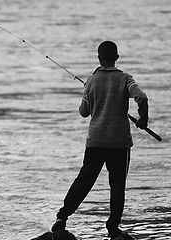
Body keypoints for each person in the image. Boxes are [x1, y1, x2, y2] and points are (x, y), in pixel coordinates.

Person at [51, 41, 148, 240]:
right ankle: (113, 228)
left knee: (84, 181)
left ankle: (62, 218)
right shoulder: (125, 79)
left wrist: (90, 92)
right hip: (119, 143)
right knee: (117, 184)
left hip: (95, 142)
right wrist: (143, 119)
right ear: (117, 58)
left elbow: (83, 112)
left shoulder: (92, 81)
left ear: (98, 58)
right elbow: (142, 98)